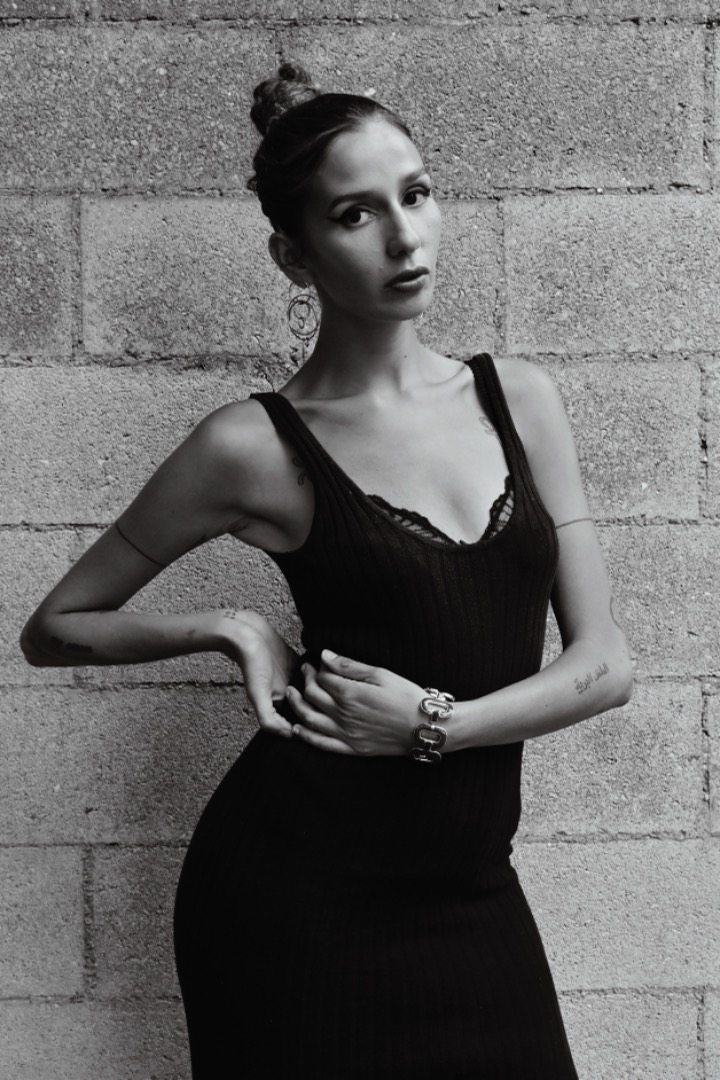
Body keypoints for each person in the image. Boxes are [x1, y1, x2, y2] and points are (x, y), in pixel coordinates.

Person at [21, 62, 633, 1079]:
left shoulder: (520, 400)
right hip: (296, 903)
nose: (404, 238)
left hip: (472, 890)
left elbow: (605, 664)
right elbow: (55, 628)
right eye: (356, 214)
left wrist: (435, 724)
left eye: (416, 194)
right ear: (293, 256)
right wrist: (231, 628)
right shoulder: (251, 448)